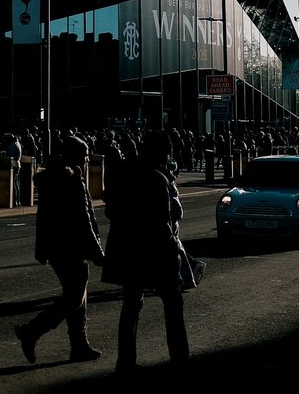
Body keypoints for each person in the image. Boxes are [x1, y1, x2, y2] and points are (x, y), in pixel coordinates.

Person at [102, 131, 189, 371]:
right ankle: (179, 357)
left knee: (131, 305)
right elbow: (165, 221)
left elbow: (111, 210)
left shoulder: (123, 174)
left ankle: (126, 360)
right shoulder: (157, 178)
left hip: (128, 249)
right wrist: (174, 253)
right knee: (173, 305)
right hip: (155, 252)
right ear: (163, 153)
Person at [14, 135, 104, 366]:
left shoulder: (54, 177)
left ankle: (79, 345)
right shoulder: (71, 179)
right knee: (74, 295)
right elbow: (84, 219)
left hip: (55, 245)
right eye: (84, 156)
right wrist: (97, 252)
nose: (86, 161)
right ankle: (32, 331)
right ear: (74, 157)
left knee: (78, 294)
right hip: (70, 245)